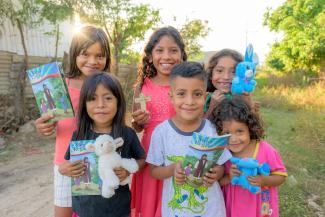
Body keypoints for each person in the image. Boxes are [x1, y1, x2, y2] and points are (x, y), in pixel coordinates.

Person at [34, 26, 111, 217]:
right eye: (85, 54)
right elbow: (50, 122)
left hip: (98, 161)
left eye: (99, 56)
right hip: (65, 163)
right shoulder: (58, 86)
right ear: (75, 54)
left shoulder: (109, 86)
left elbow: (116, 124)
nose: (92, 61)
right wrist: (43, 126)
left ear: (107, 58)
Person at [59, 72, 146, 217]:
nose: (100, 105)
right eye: (92, 98)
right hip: (84, 209)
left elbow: (142, 159)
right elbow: (67, 163)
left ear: (118, 102)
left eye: (108, 98)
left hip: (118, 210)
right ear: (84, 103)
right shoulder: (79, 135)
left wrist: (128, 170)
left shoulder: (127, 134)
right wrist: (63, 169)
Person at [146, 62, 227, 217]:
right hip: (176, 211)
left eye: (197, 94)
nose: (189, 101)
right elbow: (154, 171)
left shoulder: (212, 129)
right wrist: (172, 169)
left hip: (211, 209)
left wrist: (216, 173)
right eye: (181, 94)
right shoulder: (161, 132)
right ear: (171, 97)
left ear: (205, 97)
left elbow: (222, 166)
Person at [130, 26, 187, 217]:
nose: (167, 56)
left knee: (175, 198)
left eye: (173, 50)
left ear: (181, 54)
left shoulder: (185, 84)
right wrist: (138, 121)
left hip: (178, 150)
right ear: (150, 55)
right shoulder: (141, 87)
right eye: (159, 50)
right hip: (150, 152)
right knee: (151, 199)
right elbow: (136, 125)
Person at [211, 97, 287, 217]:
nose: (233, 139)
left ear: (250, 128)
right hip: (233, 210)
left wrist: (263, 180)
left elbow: (281, 177)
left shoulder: (265, 150)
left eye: (239, 131)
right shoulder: (223, 154)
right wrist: (229, 177)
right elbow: (217, 183)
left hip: (261, 209)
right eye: (226, 134)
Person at [204, 49, 258, 119]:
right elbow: (199, 127)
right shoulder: (204, 98)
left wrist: (250, 108)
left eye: (233, 72)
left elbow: (255, 127)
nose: (226, 77)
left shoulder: (244, 97)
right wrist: (212, 106)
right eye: (220, 71)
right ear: (211, 74)